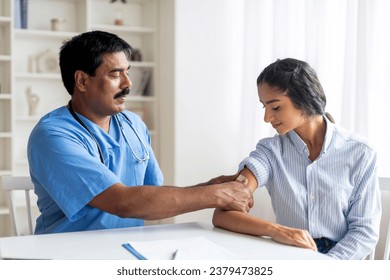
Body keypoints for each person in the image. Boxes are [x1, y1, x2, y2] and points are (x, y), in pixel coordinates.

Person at [27, 30, 253, 234]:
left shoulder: (133, 124)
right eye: (115, 75)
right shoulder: (53, 135)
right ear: (82, 81)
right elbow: (124, 202)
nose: (128, 83)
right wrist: (216, 196)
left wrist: (210, 187)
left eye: (127, 72)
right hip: (67, 256)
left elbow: (149, 196)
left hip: (125, 250)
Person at [212, 58, 381, 260]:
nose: (266, 118)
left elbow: (364, 231)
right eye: (263, 107)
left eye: (275, 107)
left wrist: (327, 267)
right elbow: (223, 214)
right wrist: (276, 230)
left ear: (304, 99)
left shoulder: (360, 153)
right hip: (289, 262)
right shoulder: (270, 152)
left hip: (341, 264)